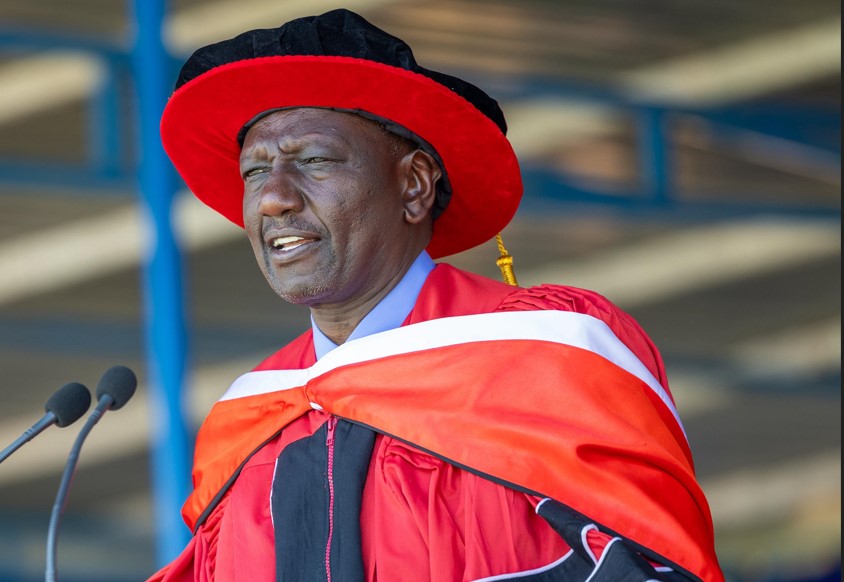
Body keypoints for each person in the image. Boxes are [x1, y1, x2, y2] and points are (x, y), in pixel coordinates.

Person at [150, 9, 722, 582]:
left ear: (414, 185)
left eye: (315, 160)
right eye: (254, 172)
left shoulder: (547, 356)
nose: (273, 198)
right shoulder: (252, 420)